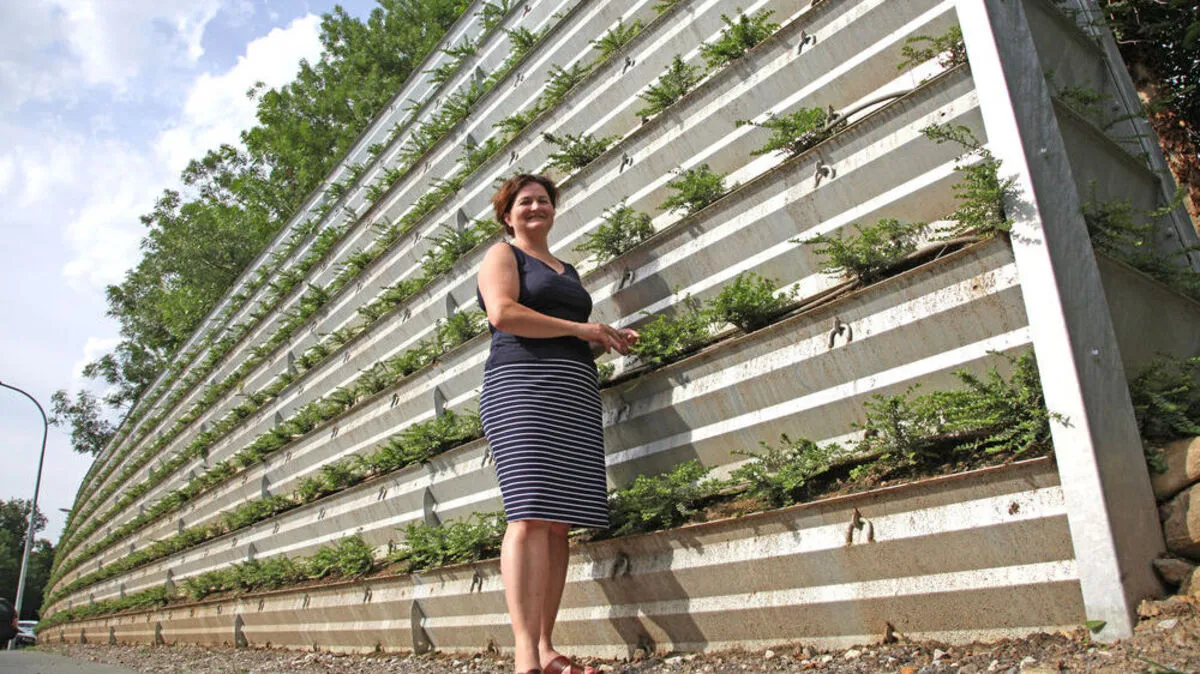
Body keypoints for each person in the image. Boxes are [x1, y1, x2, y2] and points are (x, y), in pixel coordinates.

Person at [476, 174, 637, 674]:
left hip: (573, 391)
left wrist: (602, 337)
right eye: (524, 202)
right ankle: (526, 656)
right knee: (527, 514)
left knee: (557, 520)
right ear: (508, 214)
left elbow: (565, 330)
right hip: (521, 386)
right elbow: (504, 313)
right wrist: (579, 327)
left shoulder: (567, 269)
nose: (535, 207)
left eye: (543, 200)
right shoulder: (504, 256)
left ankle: (546, 647)